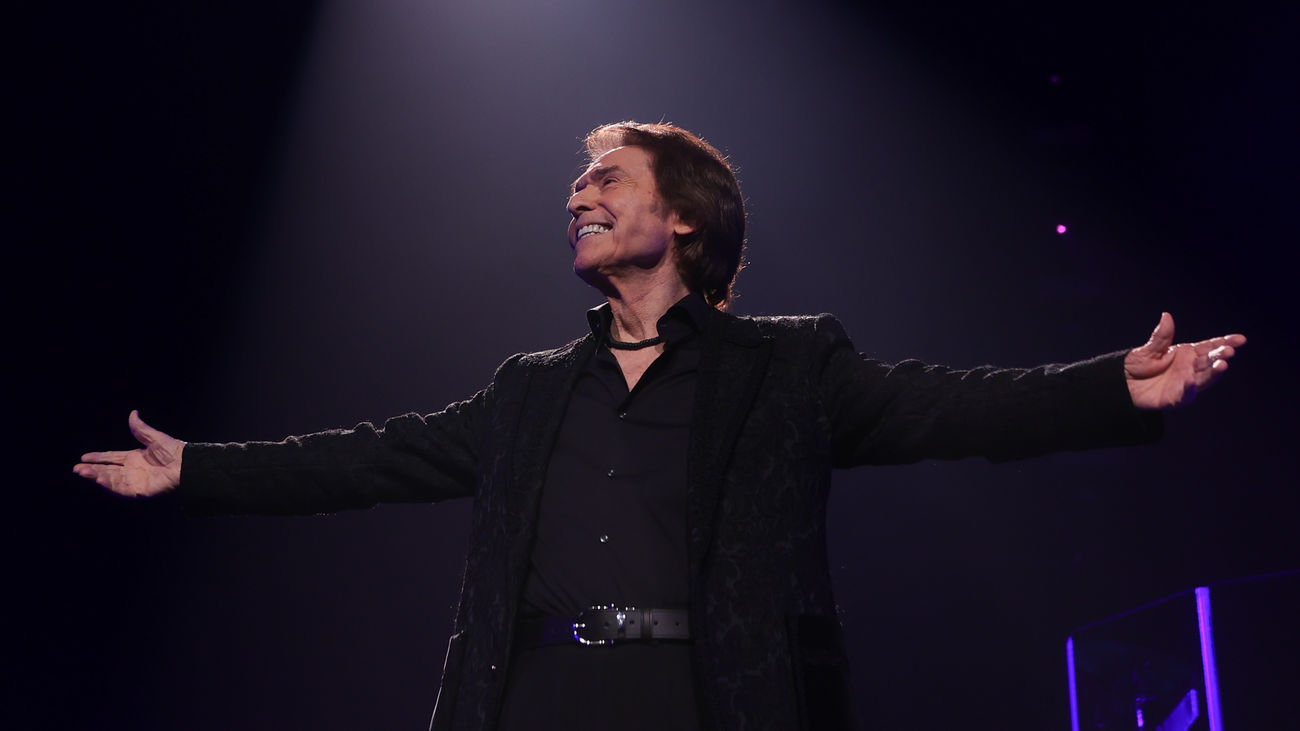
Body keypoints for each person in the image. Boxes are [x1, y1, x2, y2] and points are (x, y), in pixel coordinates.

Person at [74, 122, 1246, 731]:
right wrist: (200, 469)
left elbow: (953, 405)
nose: (576, 195)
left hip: (703, 695)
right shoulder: (531, 387)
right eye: (575, 185)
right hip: (535, 698)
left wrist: (1111, 385)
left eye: (605, 176)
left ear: (681, 214)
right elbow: (371, 457)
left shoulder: (788, 365)